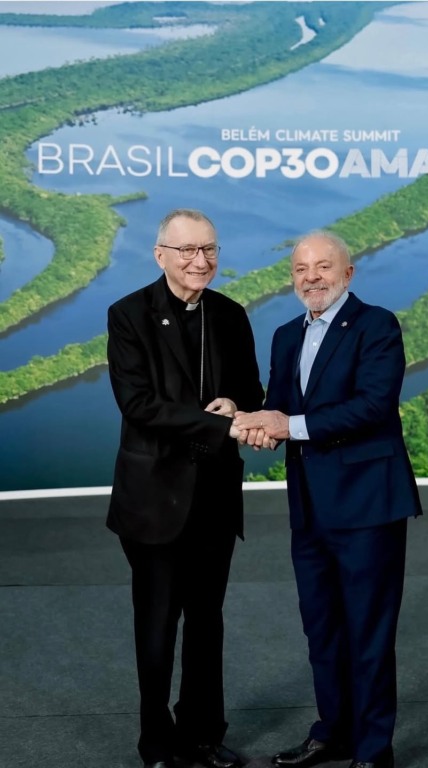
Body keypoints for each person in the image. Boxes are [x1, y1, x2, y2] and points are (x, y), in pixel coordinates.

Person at [233, 231, 422, 768]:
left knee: (367, 631)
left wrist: (284, 424)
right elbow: (279, 410)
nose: (310, 277)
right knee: (321, 628)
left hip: (368, 508)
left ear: (348, 273)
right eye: (300, 269)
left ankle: (371, 750)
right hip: (311, 509)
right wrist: (246, 418)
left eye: (322, 266)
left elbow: (371, 407)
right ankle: (332, 732)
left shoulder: (376, 325)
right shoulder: (285, 336)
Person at [106, 208, 264, 768]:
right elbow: (139, 405)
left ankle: (202, 733)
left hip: (215, 494)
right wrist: (220, 424)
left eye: (210, 250)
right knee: (156, 625)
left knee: (206, 620)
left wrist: (237, 405)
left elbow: (250, 385)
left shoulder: (231, 313)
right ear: (161, 256)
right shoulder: (129, 315)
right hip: (155, 499)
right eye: (188, 251)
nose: (201, 261)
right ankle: (156, 742)